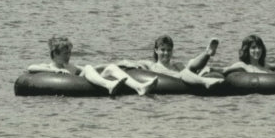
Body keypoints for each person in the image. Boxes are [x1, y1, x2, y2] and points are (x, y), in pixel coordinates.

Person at [28, 35, 157, 96]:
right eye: (65, 53)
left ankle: (139, 87)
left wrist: (121, 63)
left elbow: (95, 68)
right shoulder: (49, 67)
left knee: (109, 67)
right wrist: (55, 71)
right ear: (55, 53)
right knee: (88, 67)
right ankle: (109, 85)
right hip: (71, 83)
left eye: (69, 52)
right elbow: (31, 67)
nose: (69, 56)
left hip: (84, 80)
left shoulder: (71, 67)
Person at [117, 35, 224, 89]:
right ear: (156, 50)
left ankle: (207, 53)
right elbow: (126, 63)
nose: (166, 53)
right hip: (172, 79)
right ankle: (204, 81)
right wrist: (128, 64)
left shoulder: (176, 65)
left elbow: (192, 69)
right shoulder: (152, 65)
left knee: (190, 64)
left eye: (169, 50)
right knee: (183, 73)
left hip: (183, 75)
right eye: (163, 50)